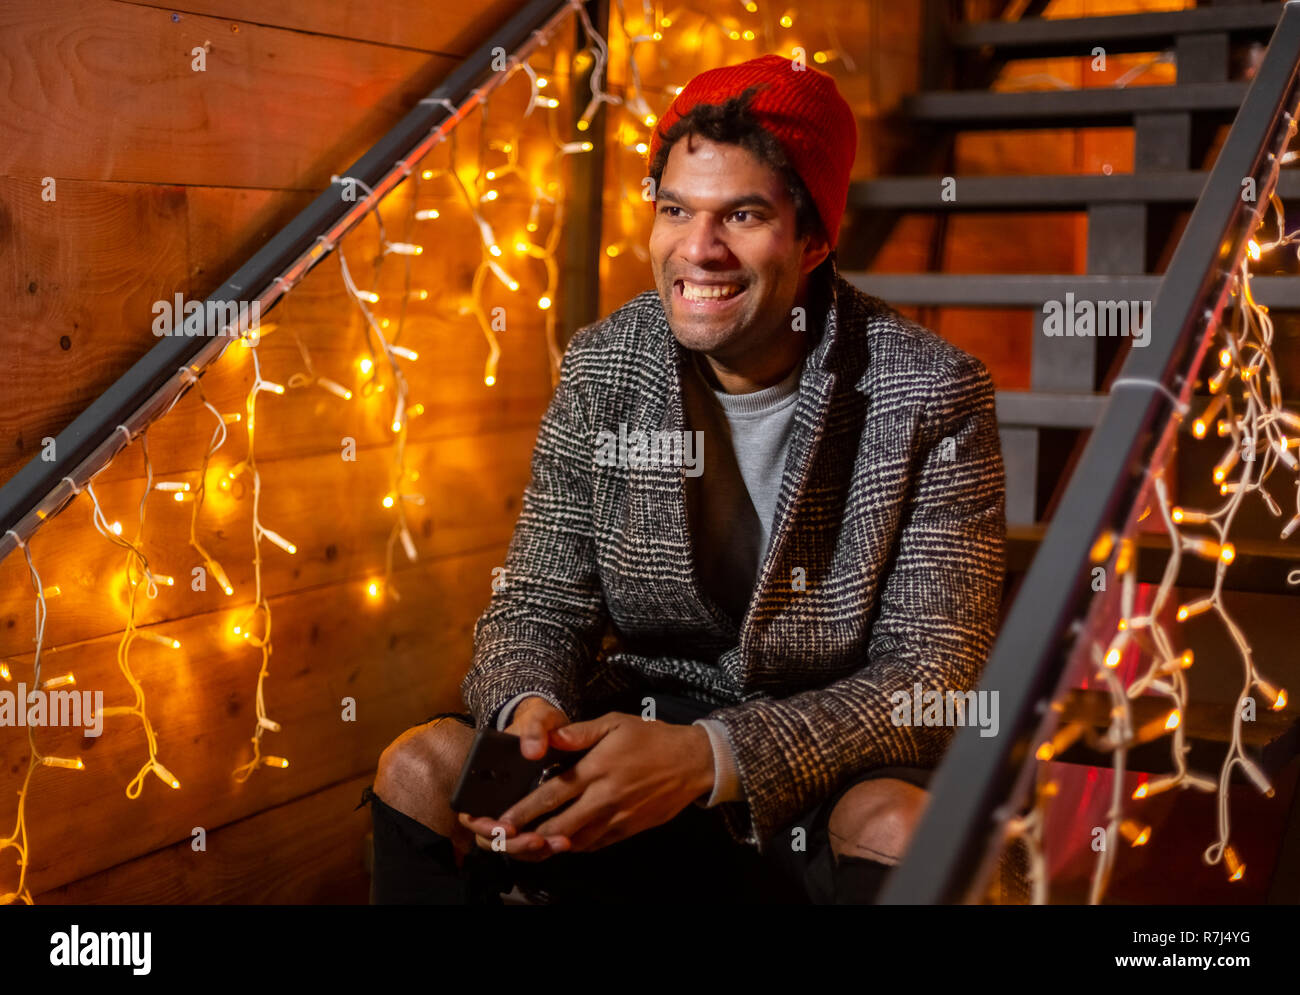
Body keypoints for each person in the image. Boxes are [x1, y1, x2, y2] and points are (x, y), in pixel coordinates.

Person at [361, 52, 1006, 904]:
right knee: (420, 766)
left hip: (816, 765)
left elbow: (930, 675)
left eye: (741, 214)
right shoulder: (605, 363)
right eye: (675, 210)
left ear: (815, 238)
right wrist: (530, 712)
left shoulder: (930, 392)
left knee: (902, 828)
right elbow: (540, 601)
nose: (697, 250)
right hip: (631, 723)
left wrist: (710, 756)